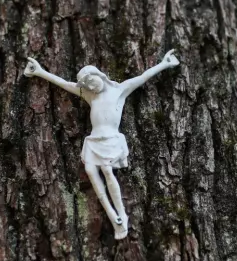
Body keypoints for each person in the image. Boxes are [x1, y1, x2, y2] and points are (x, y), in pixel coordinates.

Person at [24, 50, 180, 238]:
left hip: (111, 139)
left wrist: (164, 64)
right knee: (90, 171)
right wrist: (40, 72)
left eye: (92, 81)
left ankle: (121, 214)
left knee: (106, 170)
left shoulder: (120, 90)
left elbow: (142, 77)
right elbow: (65, 84)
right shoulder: (90, 96)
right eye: (87, 84)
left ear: (101, 76)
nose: (91, 86)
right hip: (94, 140)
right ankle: (112, 213)